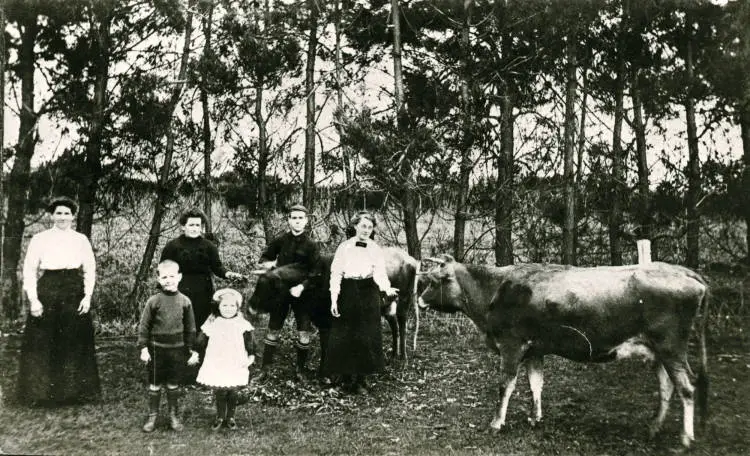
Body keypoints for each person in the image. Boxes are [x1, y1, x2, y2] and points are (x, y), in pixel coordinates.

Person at [17, 196, 101, 406]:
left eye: (67, 213)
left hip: (73, 290)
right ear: (51, 215)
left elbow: (90, 268)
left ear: (73, 216)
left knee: (73, 341)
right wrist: (34, 300)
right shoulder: (40, 239)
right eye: (58, 213)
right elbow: (29, 270)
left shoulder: (80, 239)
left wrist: (87, 296)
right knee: (43, 342)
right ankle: (40, 394)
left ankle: (73, 393)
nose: (62, 217)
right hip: (49, 289)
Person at [323, 211, 398, 394]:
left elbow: (380, 273)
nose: (366, 230)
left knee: (367, 334)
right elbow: (336, 274)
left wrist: (387, 289)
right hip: (348, 291)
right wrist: (334, 298)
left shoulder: (375, 249)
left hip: (368, 291)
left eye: (370, 227)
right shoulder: (344, 247)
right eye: (363, 226)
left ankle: (361, 380)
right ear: (355, 226)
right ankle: (347, 378)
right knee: (347, 333)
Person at [256, 204, 321, 380]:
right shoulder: (280, 240)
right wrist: (267, 264)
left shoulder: (312, 245)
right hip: (281, 292)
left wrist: (302, 287)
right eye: (294, 218)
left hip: (302, 294)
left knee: (304, 331)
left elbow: (316, 273)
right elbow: (265, 258)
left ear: (306, 221)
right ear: (289, 220)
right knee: (273, 328)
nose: (297, 221)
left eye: (301, 218)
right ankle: (265, 369)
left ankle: (300, 370)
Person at [137, 260, 198, 432]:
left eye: (172, 276)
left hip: (177, 350)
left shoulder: (185, 301)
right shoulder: (153, 301)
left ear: (179, 277)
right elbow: (144, 326)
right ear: (158, 279)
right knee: (155, 384)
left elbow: (191, 328)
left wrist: (191, 349)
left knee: (173, 384)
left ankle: (173, 416)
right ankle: (152, 417)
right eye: (164, 277)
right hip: (157, 350)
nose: (168, 280)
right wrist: (143, 348)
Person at [160, 208, 244, 330]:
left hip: (203, 291)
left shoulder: (209, 246)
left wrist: (229, 274)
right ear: (183, 227)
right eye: (191, 225)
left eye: (198, 225)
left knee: (202, 323)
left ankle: (199, 348)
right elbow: (164, 269)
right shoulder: (172, 246)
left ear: (202, 227)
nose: (195, 228)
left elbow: (218, 267)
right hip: (179, 289)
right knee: (179, 323)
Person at [196, 288, 256, 431]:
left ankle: (231, 416)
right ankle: (220, 416)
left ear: (237, 307)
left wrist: (251, 354)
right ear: (218, 306)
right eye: (224, 306)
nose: (228, 309)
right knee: (220, 390)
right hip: (217, 360)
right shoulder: (213, 321)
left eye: (232, 306)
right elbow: (201, 339)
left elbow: (250, 341)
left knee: (233, 390)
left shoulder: (241, 322)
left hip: (235, 359)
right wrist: (196, 351)